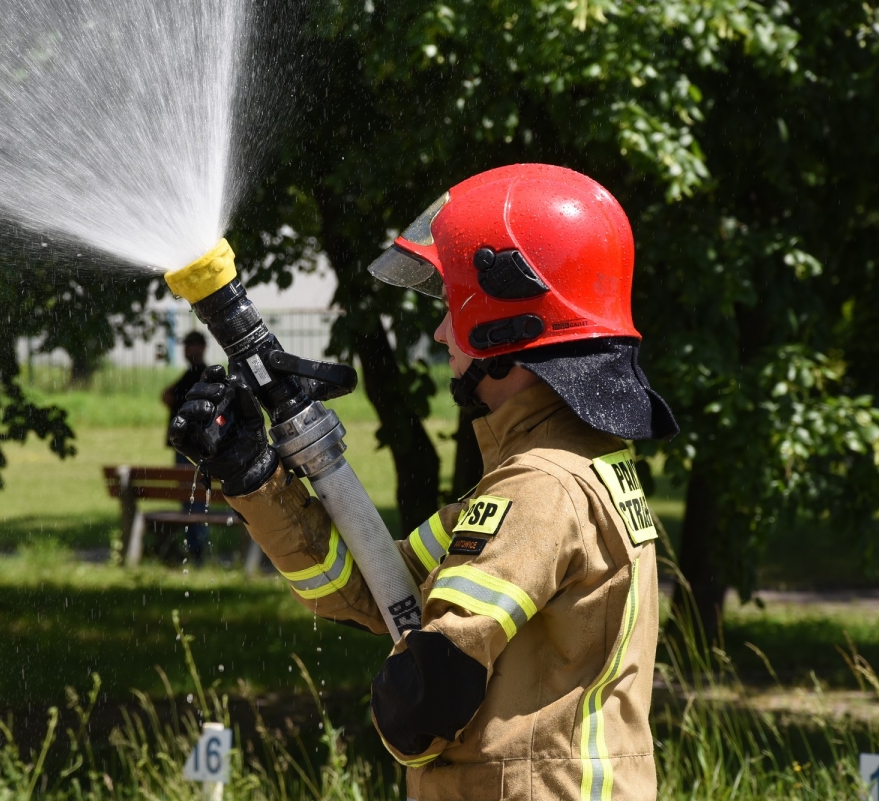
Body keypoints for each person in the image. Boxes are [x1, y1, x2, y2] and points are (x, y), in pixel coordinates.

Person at [170, 164, 678, 800]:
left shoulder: (540, 489)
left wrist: (405, 699)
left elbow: (425, 699)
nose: (441, 332)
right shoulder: (567, 471)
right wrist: (253, 474)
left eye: (453, 309)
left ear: (509, 326)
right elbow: (374, 589)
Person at [161, 330, 211, 561]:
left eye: (190, 345)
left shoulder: (200, 375)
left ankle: (196, 547)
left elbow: (169, 397)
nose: (186, 350)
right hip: (189, 447)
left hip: (190, 450)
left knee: (192, 499)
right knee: (190, 499)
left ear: (201, 347)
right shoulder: (193, 374)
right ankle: (194, 546)